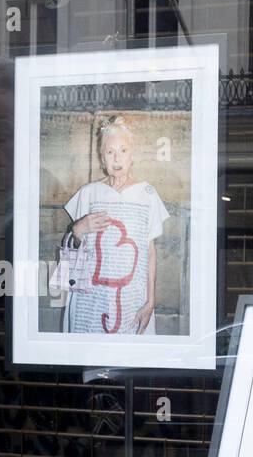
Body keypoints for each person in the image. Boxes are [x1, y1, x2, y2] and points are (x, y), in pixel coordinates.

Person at [60, 116, 170, 334]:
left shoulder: (146, 194)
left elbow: (149, 251)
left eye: (123, 150)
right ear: (102, 158)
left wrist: (150, 302)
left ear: (132, 156)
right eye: (110, 152)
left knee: (128, 363)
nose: (117, 158)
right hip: (90, 301)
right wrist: (78, 229)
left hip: (132, 299)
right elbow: (70, 254)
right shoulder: (88, 193)